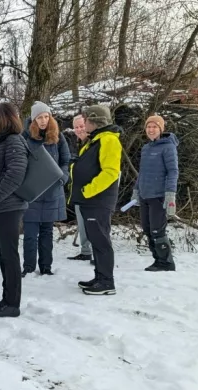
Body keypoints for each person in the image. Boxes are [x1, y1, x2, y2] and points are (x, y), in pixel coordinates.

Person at [0, 103, 28, 317]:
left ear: (1, 120)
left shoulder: (13, 141)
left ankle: (12, 304)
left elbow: (15, 175)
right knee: (3, 254)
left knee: (9, 255)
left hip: (9, 207)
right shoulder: (0, 143)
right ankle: (6, 299)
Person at [73, 105, 122, 295]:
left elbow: (110, 172)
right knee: (95, 239)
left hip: (98, 200)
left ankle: (107, 282)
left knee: (101, 241)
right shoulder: (95, 140)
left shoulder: (108, 140)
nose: (83, 123)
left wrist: (88, 190)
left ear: (94, 120)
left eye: (85, 120)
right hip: (90, 201)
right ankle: (100, 277)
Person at [22, 102, 71, 276]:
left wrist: (63, 177)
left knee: (47, 232)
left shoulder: (58, 136)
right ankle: (28, 267)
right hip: (33, 193)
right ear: (33, 119)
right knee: (30, 234)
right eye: (39, 117)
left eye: (46, 116)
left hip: (52, 191)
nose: (43, 120)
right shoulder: (25, 137)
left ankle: (46, 267)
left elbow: (66, 160)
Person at [135, 114, 178, 272]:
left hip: (159, 196)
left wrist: (170, 194)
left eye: (155, 127)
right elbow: (142, 172)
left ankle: (166, 262)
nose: (151, 129)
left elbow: (173, 171)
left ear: (161, 129)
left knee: (156, 230)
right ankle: (157, 260)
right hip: (144, 194)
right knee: (147, 229)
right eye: (148, 126)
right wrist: (136, 190)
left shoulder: (168, 147)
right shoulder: (146, 148)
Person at [67, 114, 94, 262]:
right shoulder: (76, 143)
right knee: (82, 221)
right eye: (76, 127)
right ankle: (85, 250)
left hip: (92, 190)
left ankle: (94, 252)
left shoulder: (94, 143)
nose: (79, 129)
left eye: (81, 126)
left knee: (92, 222)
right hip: (78, 189)